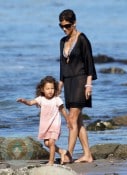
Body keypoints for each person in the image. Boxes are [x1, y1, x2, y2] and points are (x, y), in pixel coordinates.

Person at [58, 9, 97, 163]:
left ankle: (68, 154)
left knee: (71, 119)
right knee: (78, 121)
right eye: (61, 26)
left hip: (81, 80)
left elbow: (89, 63)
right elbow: (62, 64)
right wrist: (60, 83)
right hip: (68, 82)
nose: (64, 29)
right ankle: (87, 154)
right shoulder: (62, 41)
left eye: (67, 25)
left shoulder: (82, 39)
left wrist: (89, 85)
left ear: (74, 23)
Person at [17, 76, 72, 165]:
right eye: (47, 89)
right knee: (47, 143)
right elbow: (31, 103)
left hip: (55, 124)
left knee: (51, 142)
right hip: (45, 125)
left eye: (52, 88)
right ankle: (61, 151)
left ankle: (51, 161)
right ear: (42, 89)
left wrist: (68, 121)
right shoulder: (41, 99)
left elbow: (63, 110)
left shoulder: (57, 99)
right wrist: (24, 101)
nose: (50, 91)